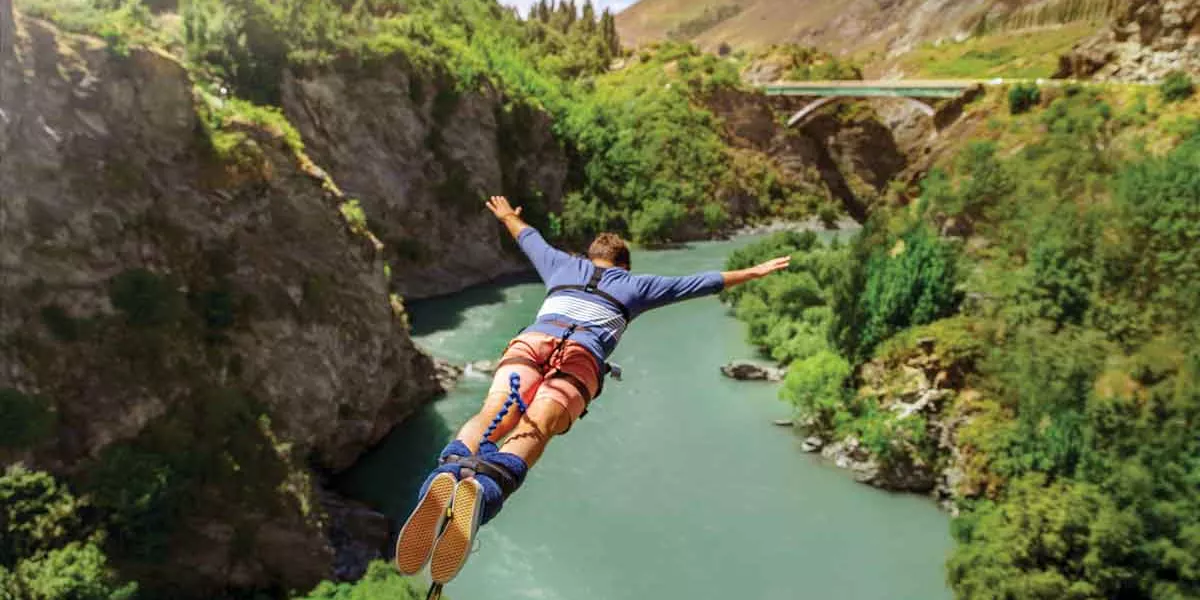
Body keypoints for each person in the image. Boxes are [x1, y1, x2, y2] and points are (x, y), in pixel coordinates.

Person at [395, 196, 792, 583]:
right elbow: (698, 283)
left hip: (533, 342)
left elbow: (528, 237)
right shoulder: (637, 285)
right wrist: (754, 272)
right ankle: (486, 488)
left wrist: (506, 216)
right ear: (625, 264)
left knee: (493, 410)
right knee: (537, 425)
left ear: (590, 256)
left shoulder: (562, 264)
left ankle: (446, 472)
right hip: (580, 355)